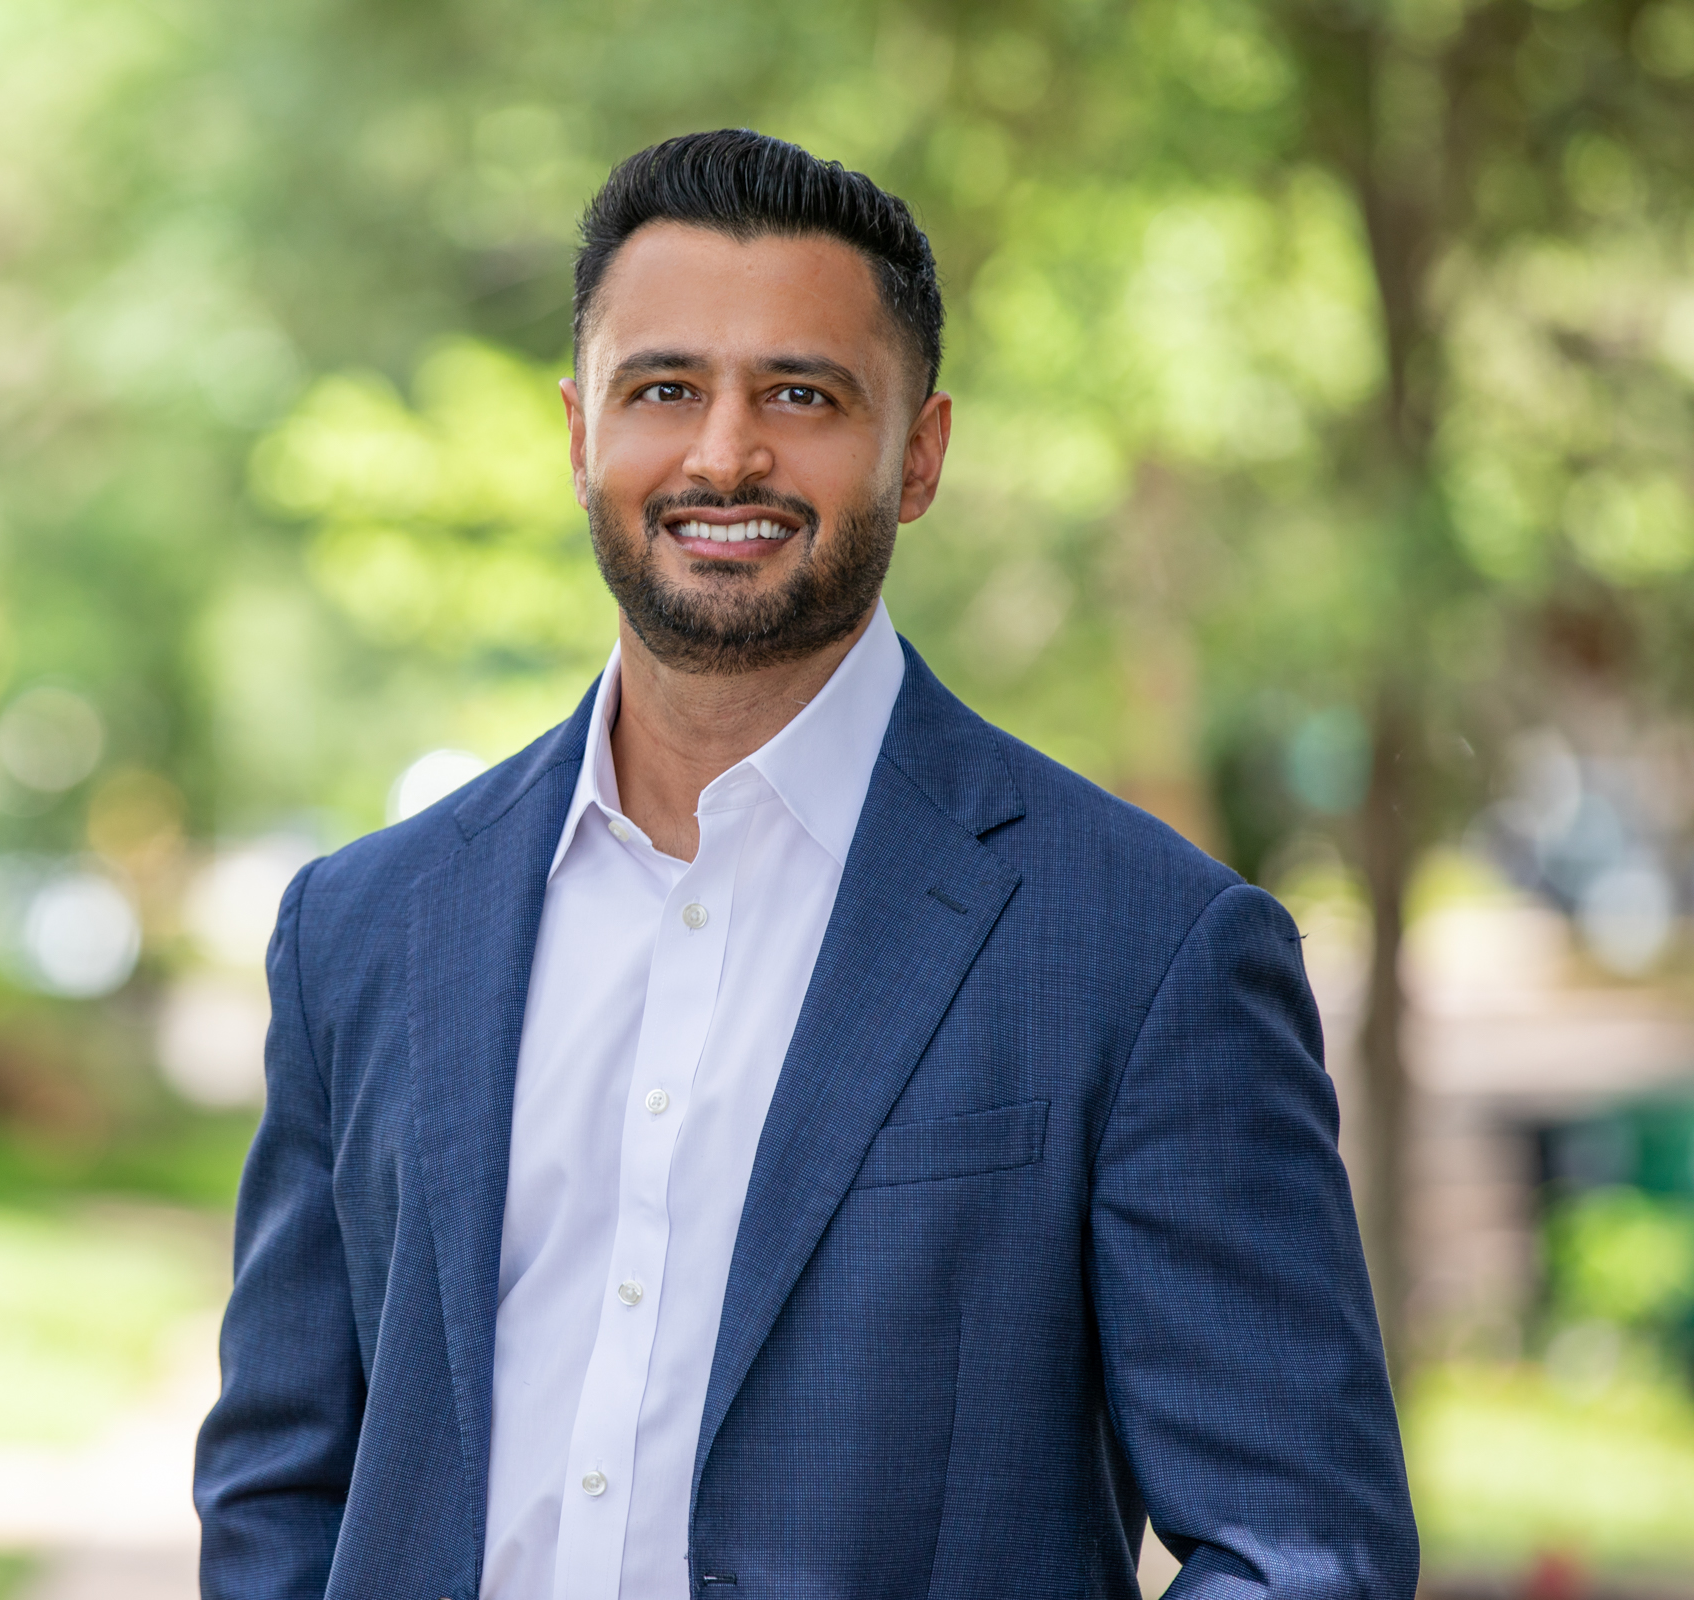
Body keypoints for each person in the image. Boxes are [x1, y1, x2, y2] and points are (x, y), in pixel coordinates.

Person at [194, 129, 1416, 1600]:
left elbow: (1300, 1548)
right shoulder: (364, 929)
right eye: (665, 390)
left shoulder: (1146, 950)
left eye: (801, 394)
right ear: (579, 434)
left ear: (921, 454)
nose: (724, 453)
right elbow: (282, 1485)